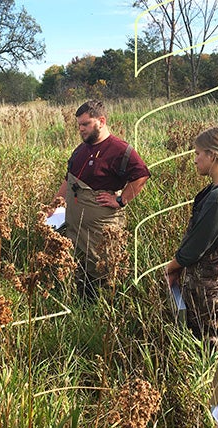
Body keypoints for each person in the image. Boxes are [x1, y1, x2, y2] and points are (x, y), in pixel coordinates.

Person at [49, 100, 150, 300]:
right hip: (76, 225)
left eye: (85, 124)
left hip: (101, 225)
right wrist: (54, 205)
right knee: (79, 267)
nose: (81, 129)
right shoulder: (80, 150)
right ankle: (81, 302)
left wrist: (120, 200)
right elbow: (68, 180)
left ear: (101, 121)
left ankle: (106, 307)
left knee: (102, 268)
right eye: (79, 125)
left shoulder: (120, 149)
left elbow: (142, 175)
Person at [164, 126, 218, 349]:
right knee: (202, 338)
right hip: (204, 284)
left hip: (210, 287)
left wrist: (172, 266)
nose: (195, 160)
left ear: (212, 155)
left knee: (213, 341)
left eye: (198, 153)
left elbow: (197, 245)